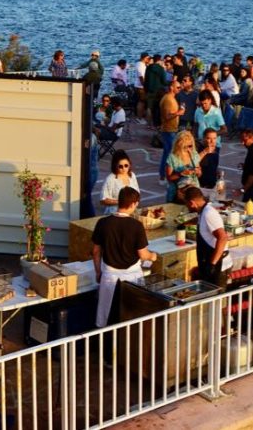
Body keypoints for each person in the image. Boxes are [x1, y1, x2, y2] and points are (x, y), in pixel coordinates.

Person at [92, 187, 157, 327]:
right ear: (134, 204)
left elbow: (96, 251)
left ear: (119, 201)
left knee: (105, 316)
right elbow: (143, 254)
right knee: (133, 317)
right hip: (132, 277)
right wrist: (153, 256)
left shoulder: (103, 223)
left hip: (109, 275)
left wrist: (98, 272)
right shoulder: (136, 225)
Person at [183, 187, 229, 287]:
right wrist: (184, 224)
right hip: (208, 262)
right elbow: (199, 219)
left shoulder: (209, 214)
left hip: (218, 266)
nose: (187, 207)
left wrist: (212, 264)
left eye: (186, 204)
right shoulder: (203, 211)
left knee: (216, 296)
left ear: (192, 203)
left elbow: (223, 237)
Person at [165, 131, 201, 203]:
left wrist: (198, 172)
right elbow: (169, 178)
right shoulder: (173, 158)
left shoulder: (194, 155)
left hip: (193, 192)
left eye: (190, 146)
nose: (188, 149)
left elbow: (199, 174)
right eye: (185, 147)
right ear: (179, 145)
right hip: (178, 193)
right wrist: (181, 174)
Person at [158, 79, 184, 179]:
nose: (180, 89)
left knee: (167, 153)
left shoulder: (170, 98)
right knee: (170, 154)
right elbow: (167, 116)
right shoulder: (168, 99)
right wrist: (179, 113)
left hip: (170, 130)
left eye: (180, 87)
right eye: (178, 87)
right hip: (169, 131)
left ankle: (163, 175)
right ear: (171, 88)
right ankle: (166, 175)